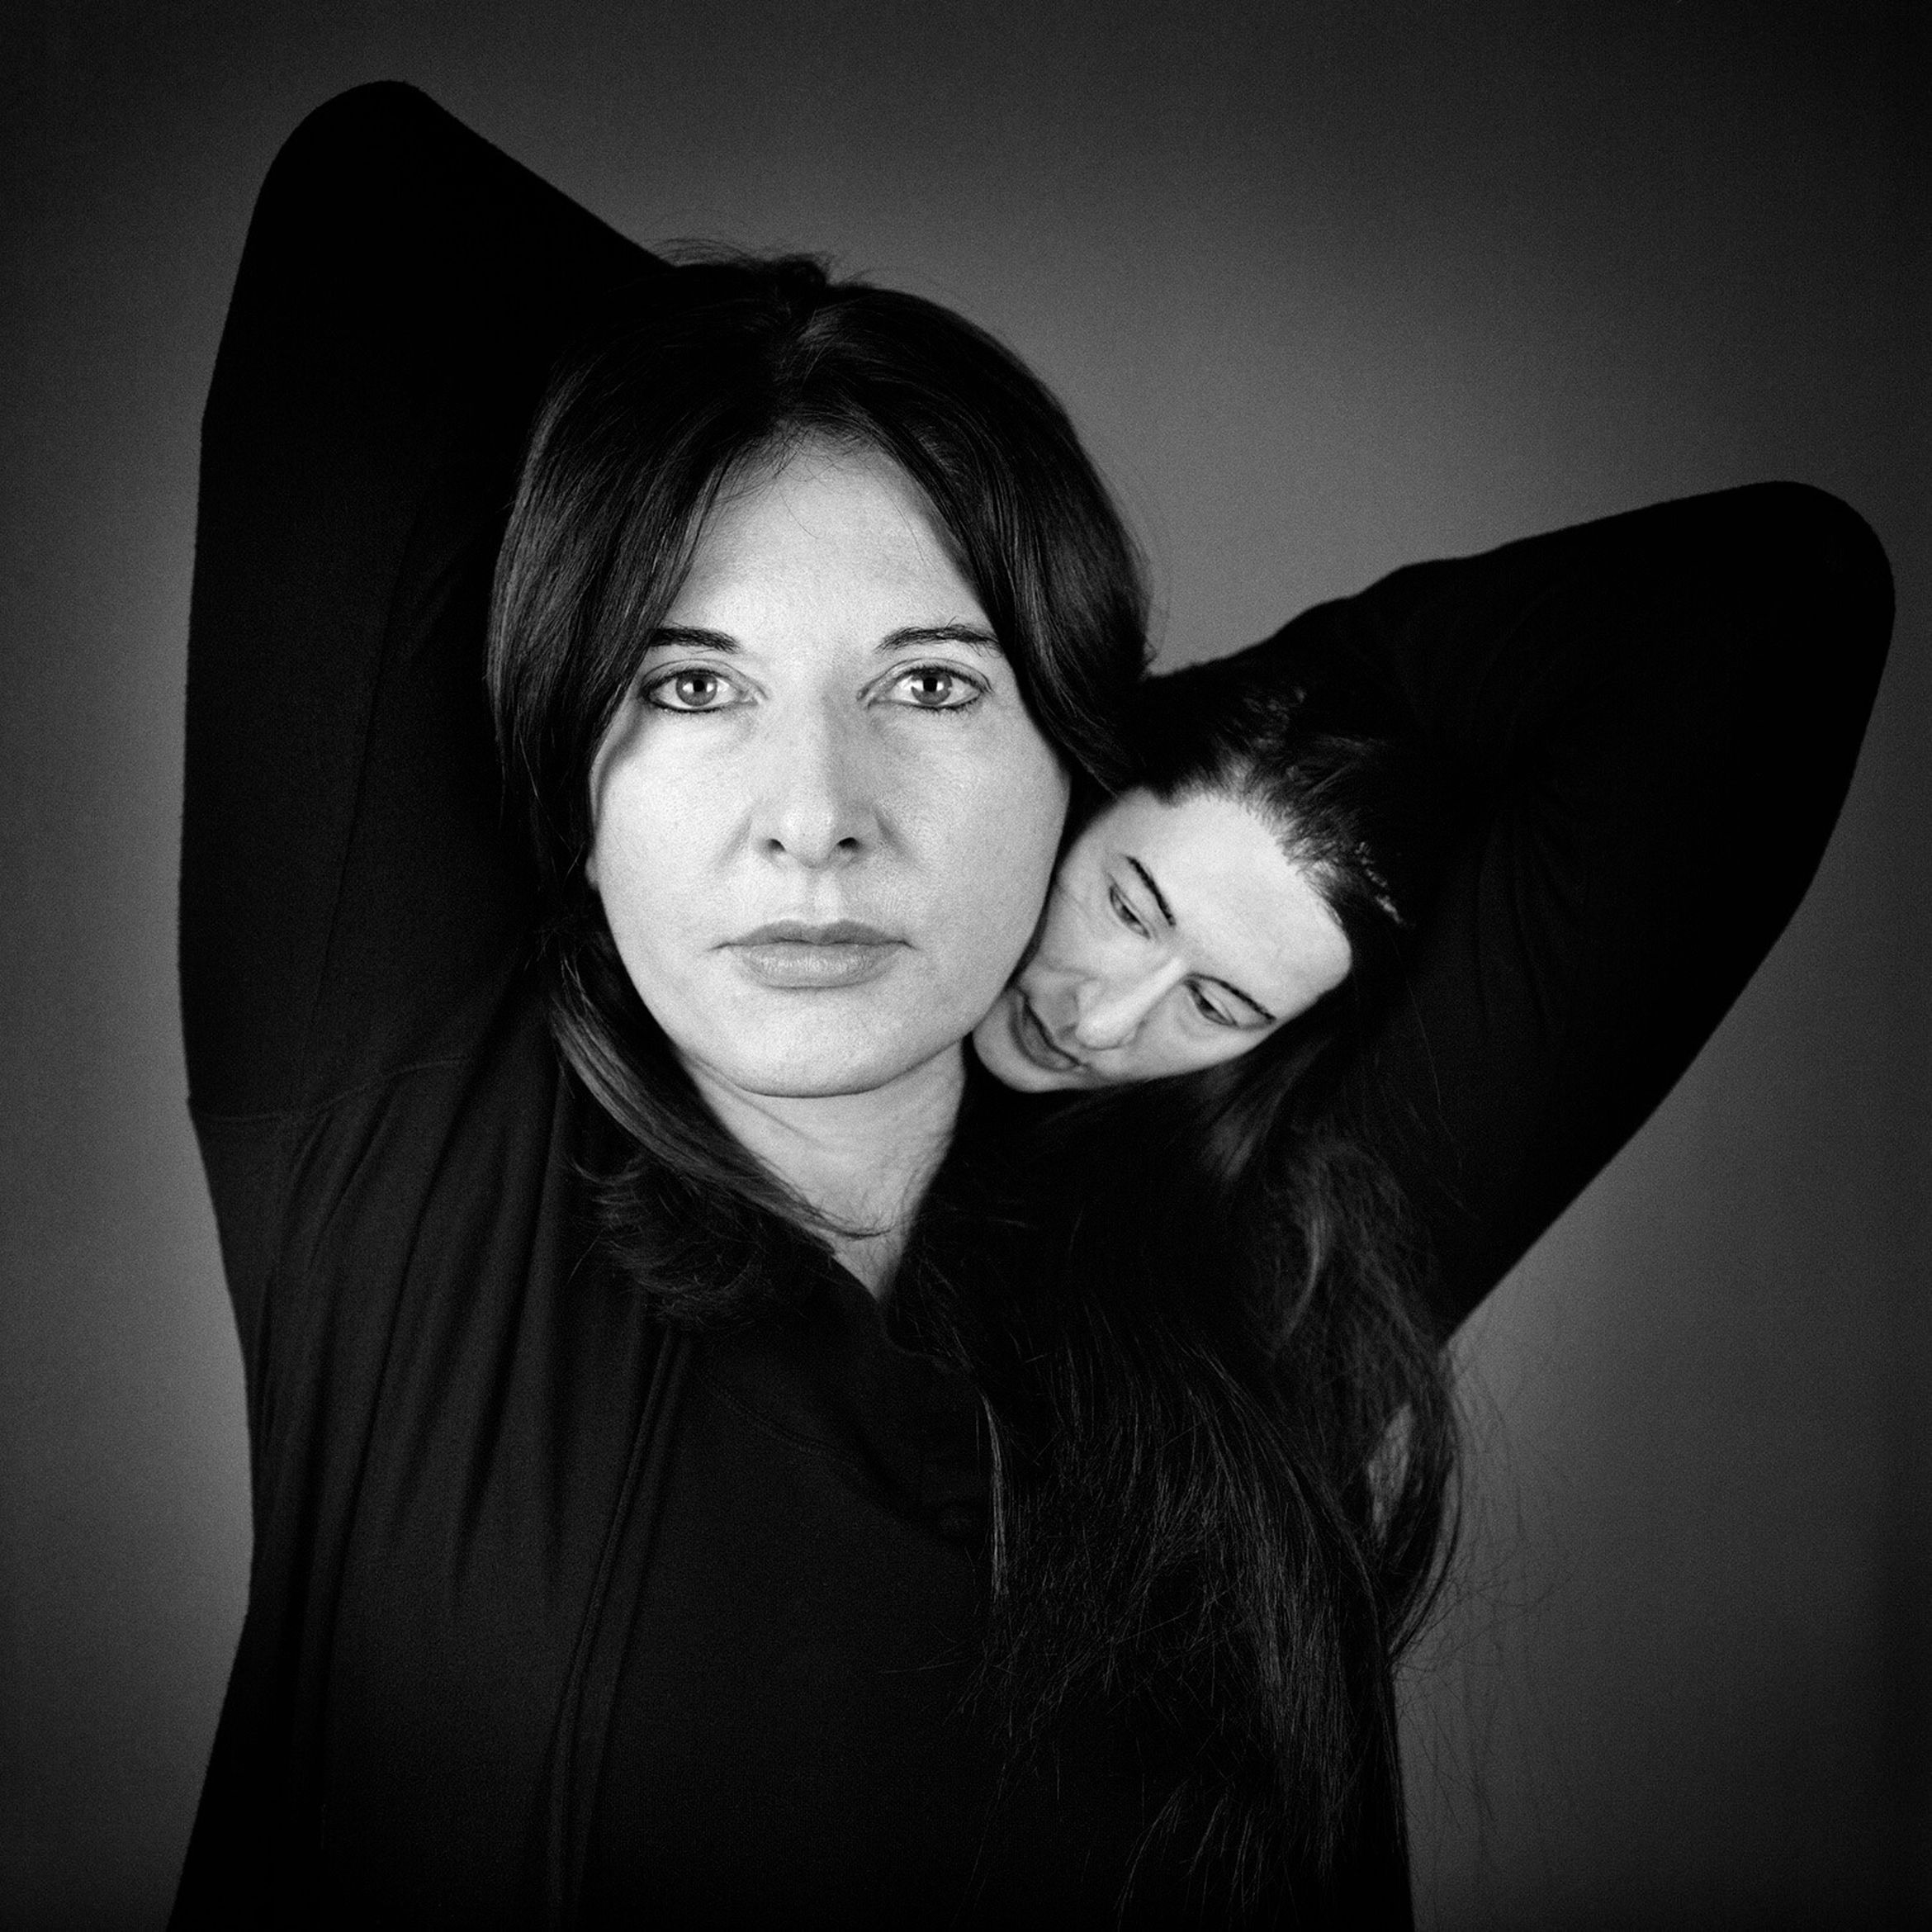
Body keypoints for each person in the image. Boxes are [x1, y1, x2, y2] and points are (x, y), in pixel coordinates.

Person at [173, 82, 1892, 1929]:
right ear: (577, 773)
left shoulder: (1253, 1295)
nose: (817, 814)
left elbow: (1771, 616)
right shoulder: (415, 1154)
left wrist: (1187, 753)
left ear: (1068, 755)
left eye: (932, 690)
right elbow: (380, 214)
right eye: (688, 687)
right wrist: (794, 397)